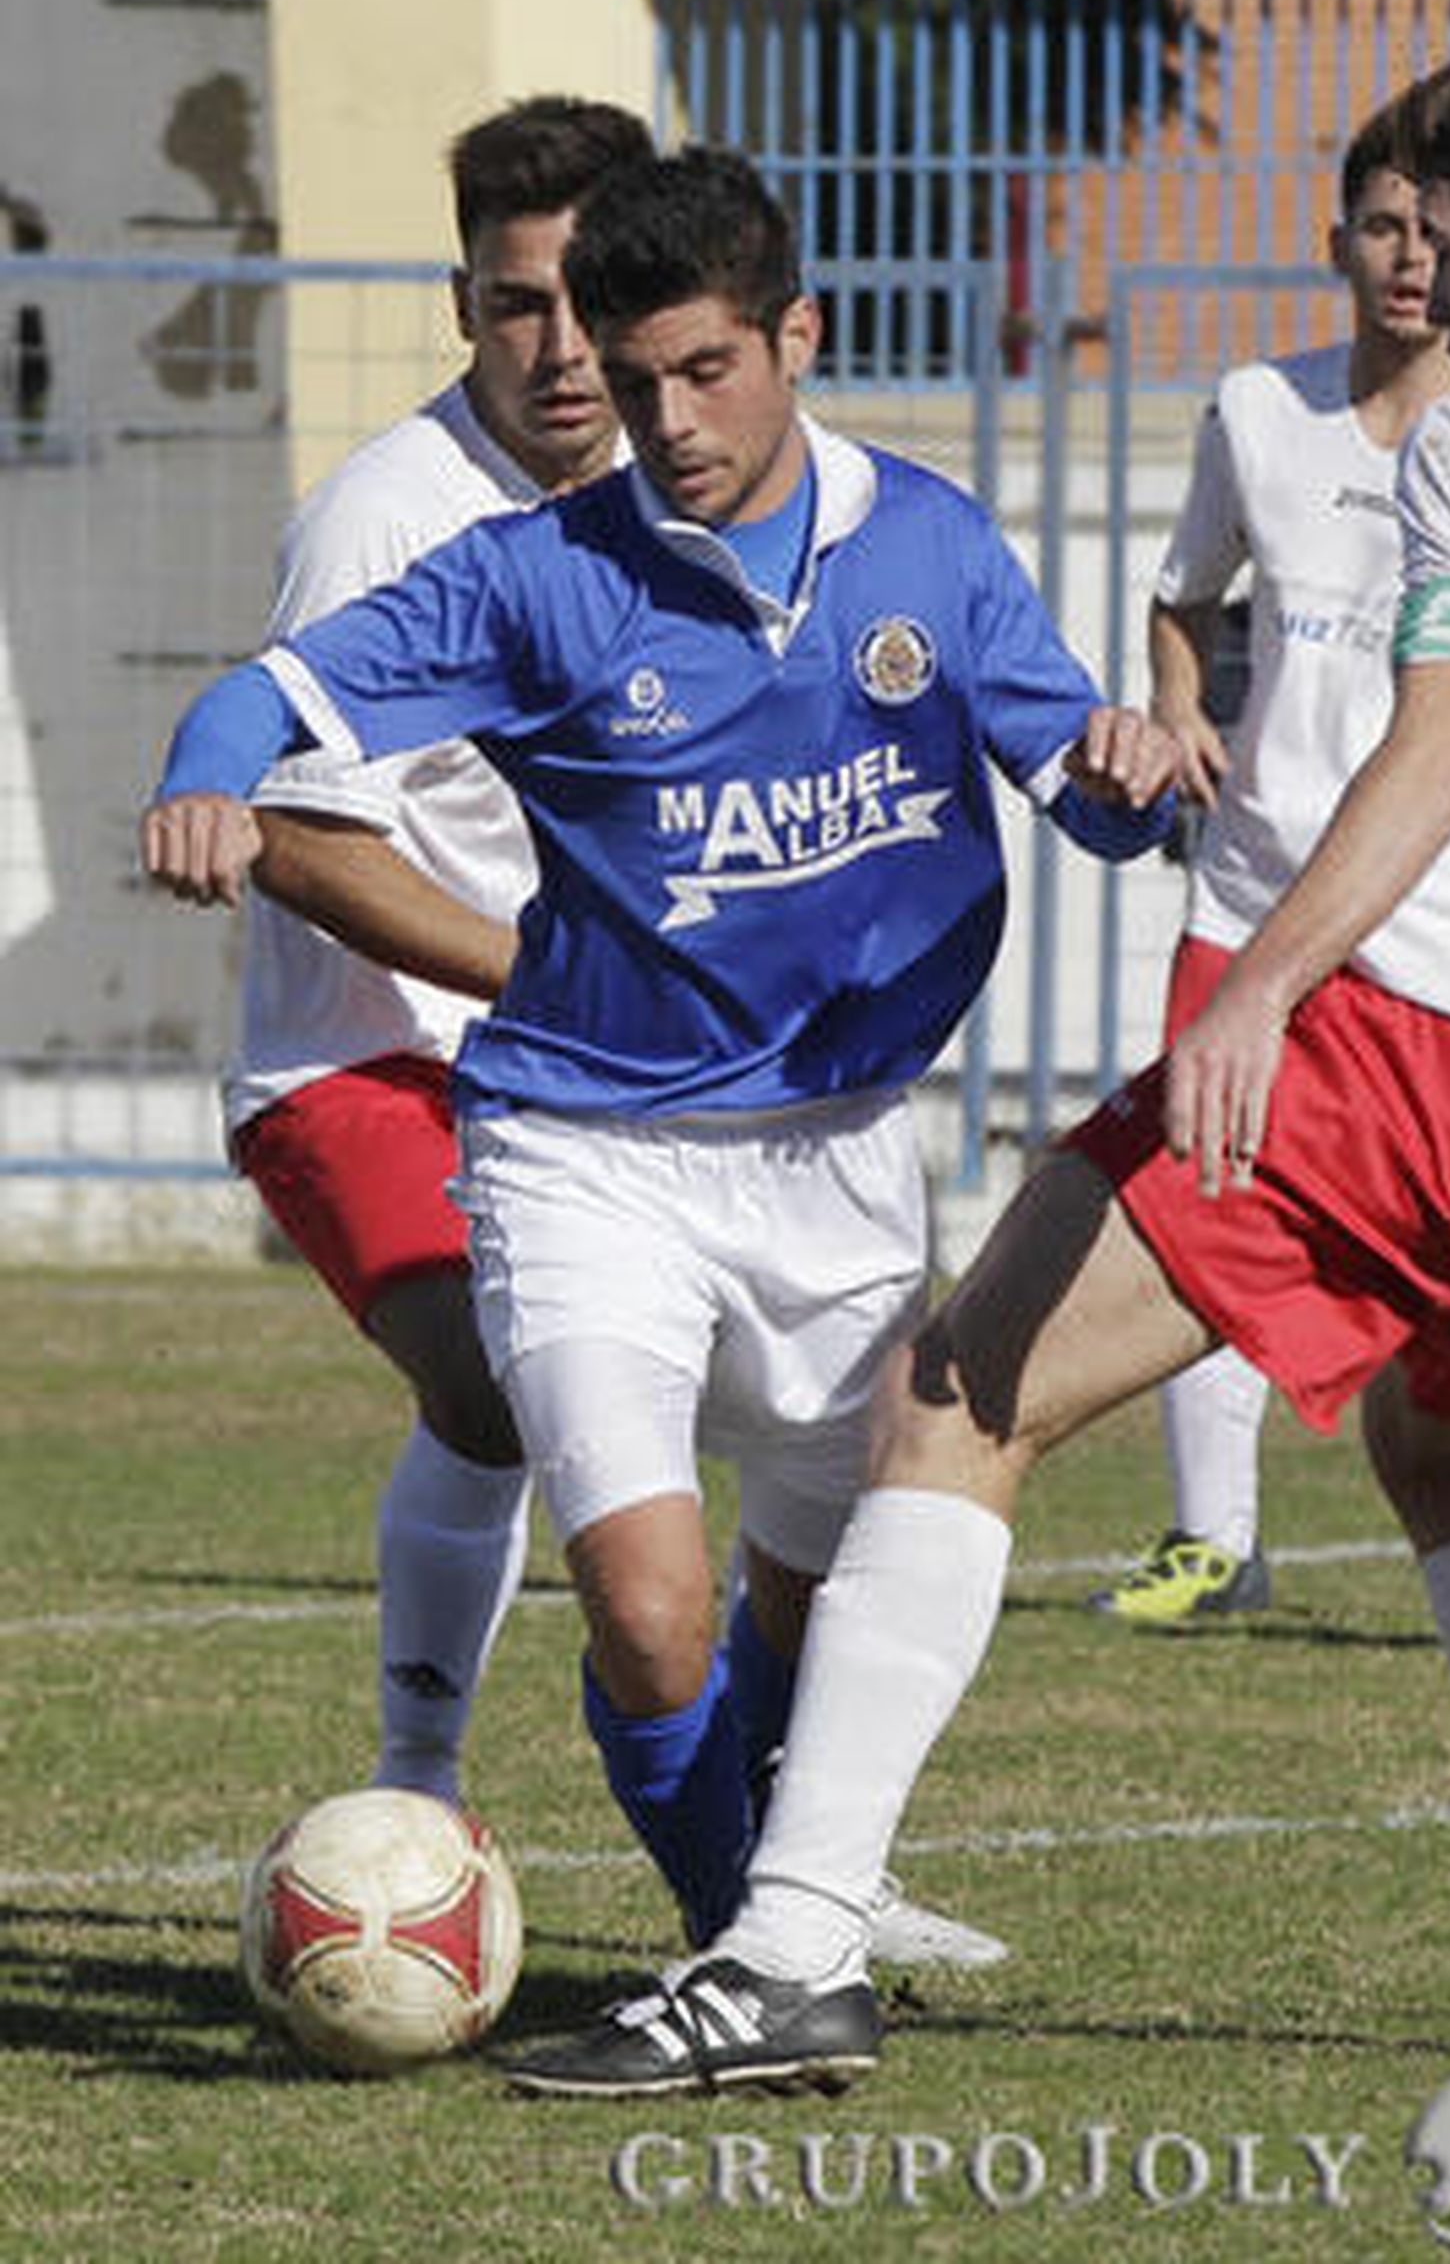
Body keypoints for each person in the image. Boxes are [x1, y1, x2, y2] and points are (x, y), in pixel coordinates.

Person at [503, 43, 1450, 2096]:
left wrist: (1259, 985)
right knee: (1444, 1444)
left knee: (954, 1391)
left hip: (1423, 1043)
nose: (1425, 294)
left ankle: (789, 1944)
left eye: (1440, 246)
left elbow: (1442, 741)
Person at [140, 146, 1178, 1966]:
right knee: (647, 1602)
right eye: (635, 386)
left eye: (704, 372)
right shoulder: (542, 575)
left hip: (844, 1147)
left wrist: (1127, 776)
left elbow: (1081, 793)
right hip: (582, 1144)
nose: (667, 421)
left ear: (799, 334)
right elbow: (267, 694)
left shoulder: (923, 542)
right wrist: (203, 774)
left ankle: (793, 1889)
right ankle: (748, 1947)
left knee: (805, 1596)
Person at [223, 96, 653, 1810]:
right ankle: (418, 1799)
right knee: (492, 1381)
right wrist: (544, 972)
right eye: (511, 305)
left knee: (812, 1416)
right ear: (459, 300)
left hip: (592, 1063)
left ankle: (794, 1850)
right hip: (363, 1061)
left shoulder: (688, 495)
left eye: (587, 301)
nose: (557, 350)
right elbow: (299, 835)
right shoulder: (383, 522)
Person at [1090, 96, 1450, 1626]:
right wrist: (1182, 707)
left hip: (1439, 902)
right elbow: (1188, 596)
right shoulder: (1259, 410)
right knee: (1204, 1185)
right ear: (1337, 245)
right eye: (1383, 228)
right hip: (1249, 890)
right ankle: (1214, 1541)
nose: (1411, 261)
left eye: (1437, 234)